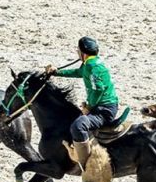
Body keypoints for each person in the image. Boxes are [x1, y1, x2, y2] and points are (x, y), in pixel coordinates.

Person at [45, 37, 118, 169]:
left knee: (78, 125)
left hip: (104, 109)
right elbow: (79, 72)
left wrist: (89, 107)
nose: (77, 53)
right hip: (101, 106)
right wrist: (57, 72)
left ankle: (88, 167)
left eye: (78, 50)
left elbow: (98, 89)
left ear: (83, 53)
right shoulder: (89, 63)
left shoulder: (92, 65)